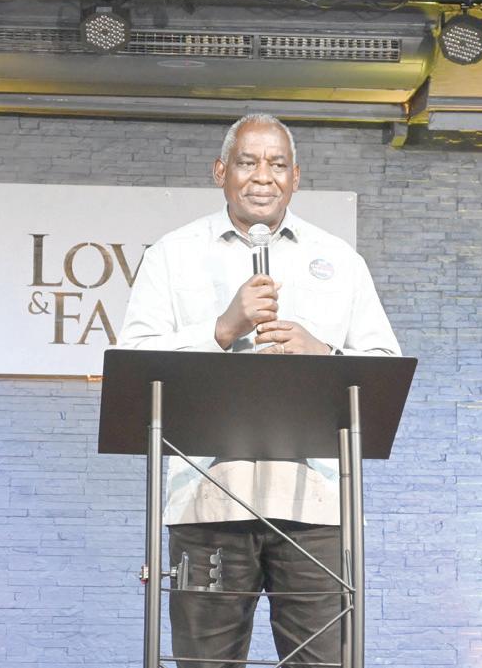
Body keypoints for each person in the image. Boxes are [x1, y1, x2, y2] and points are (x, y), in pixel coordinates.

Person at [118, 114, 400, 668]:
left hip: (317, 505)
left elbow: (385, 368)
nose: (263, 176)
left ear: (296, 176)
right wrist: (222, 329)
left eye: (277, 164)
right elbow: (135, 360)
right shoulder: (172, 255)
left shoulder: (340, 259)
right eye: (247, 162)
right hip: (208, 500)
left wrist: (324, 353)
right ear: (220, 171)